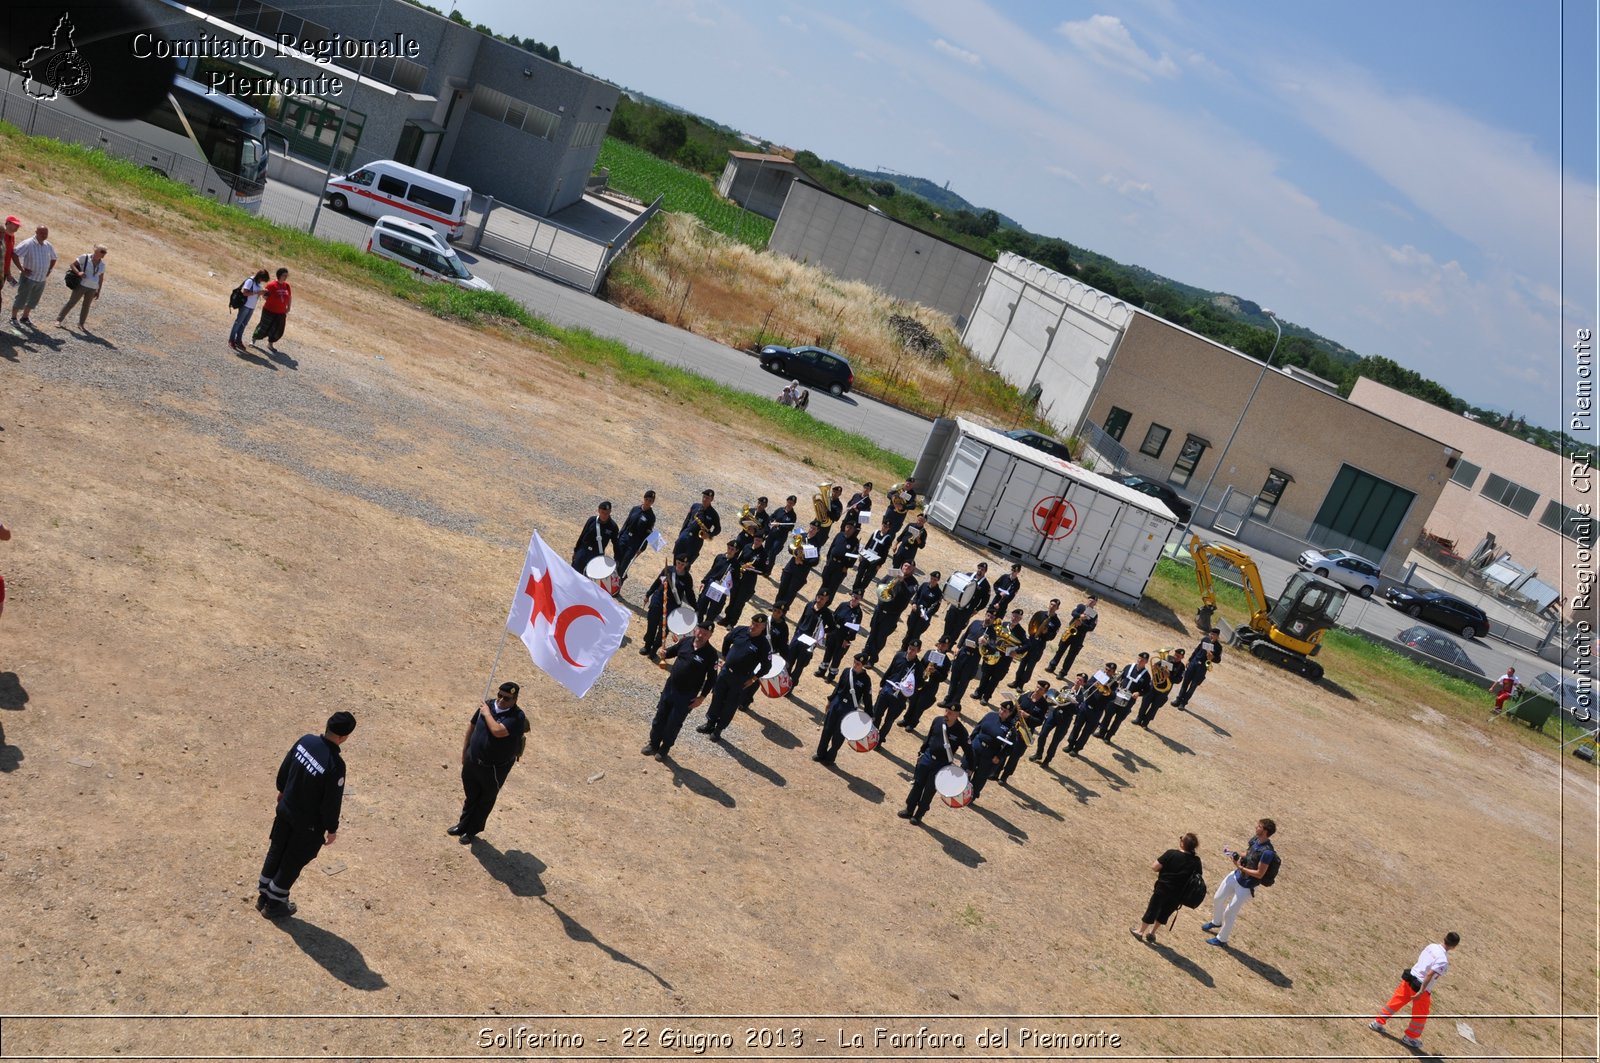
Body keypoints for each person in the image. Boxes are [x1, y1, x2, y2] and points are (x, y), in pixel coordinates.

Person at [257, 711, 356, 919]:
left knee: (276, 849)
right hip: (307, 825)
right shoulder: (335, 766)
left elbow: (286, 767)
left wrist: (282, 789)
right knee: (292, 860)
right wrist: (332, 828)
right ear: (343, 737)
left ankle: (263, 896)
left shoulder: (306, 741)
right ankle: (275, 904)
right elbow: (331, 802)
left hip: (285, 809)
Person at [449, 682, 531, 845]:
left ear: (514, 699)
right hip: (473, 760)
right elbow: (472, 726)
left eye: (506, 698)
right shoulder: (488, 705)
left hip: (494, 768)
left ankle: (472, 831)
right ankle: (462, 825)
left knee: (485, 800)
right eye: (499, 695)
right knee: (471, 795)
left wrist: (486, 713)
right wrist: (465, 751)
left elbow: (498, 731)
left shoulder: (516, 717)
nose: (500, 700)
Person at [1370, 933, 1461, 1051]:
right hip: (1420, 987)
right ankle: (1410, 1037)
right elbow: (1430, 974)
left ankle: (1377, 1022)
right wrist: (1421, 991)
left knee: (1395, 1002)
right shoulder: (1442, 960)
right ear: (1454, 946)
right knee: (1421, 1014)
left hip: (1410, 978)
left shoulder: (1431, 946)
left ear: (1444, 938)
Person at [644, 624, 720, 757]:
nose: (701, 635)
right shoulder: (685, 642)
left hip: (687, 695)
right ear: (696, 630)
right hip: (670, 688)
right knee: (660, 717)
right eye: (700, 632)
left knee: (674, 723)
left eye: (706, 634)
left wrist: (701, 697)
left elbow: (712, 679)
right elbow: (671, 652)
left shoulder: (711, 655)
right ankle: (653, 743)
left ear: (710, 635)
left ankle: (664, 749)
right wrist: (664, 653)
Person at [1202, 818, 1277, 947]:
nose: (1256, 827)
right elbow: (1248, 854)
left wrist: (1240, 867)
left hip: (1247, 886)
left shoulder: (1267, 853)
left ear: (1265, 831)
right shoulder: (1255, 840)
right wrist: (1235, 854)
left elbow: (1260, 873)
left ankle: (1222, 939)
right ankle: (1216, 921)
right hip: (1236, 876)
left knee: (1230, 912)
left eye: (1259, 826)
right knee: (1218, 898)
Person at [695, 614, 771, 741]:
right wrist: (725, 657)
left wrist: (753, 679)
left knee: (730, 704)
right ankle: (709, 724)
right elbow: (727, 639)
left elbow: (767, 666)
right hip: (725, 673)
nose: (753, 626)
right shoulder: (740, 630)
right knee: (717, 697)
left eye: (757, 625)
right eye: (752, 623)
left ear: (763, 627)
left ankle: (718, 730)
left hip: (741, 679)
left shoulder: (763, 645)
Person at [897, 702, 971, 823]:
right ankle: (909, 809)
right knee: (917, 784)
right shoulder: (937, 721)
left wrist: (970, 767)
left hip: (942, 765)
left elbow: (968, 750)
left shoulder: (961, 731)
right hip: (927, 758)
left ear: (957, 715)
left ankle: (918, 815)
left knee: (929, 790)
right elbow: (929, 738)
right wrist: (921, 752)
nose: (947, 714)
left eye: (951, 713)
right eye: (946, 711)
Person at [1131, 833, 1203, 943]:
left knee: (1153, 909)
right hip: (1179, 895)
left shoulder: (1171, 854)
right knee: (1165, 913)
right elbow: (1197, 877)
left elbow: (1155, 867)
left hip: (1162, 889)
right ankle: (1152, 933)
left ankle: (1140, 932)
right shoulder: (1196, 861)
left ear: (1183, 844)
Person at [815, 653, 873, 764]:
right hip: (837, 703)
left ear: (863, 665)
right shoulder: (847, 671)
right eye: (855, 662)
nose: (855, 665)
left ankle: (830, 758)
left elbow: (867, 698)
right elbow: (838, 687)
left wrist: (869, 715)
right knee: (827, 729)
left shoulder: (866, 680)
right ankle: (820, 753)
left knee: (839, 734)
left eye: (858, 664)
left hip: (849, 709)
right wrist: (830, 700)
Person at [861, 563, 918, 665]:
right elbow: (879, 583)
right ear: (901, 566)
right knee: (873, 632)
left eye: (910, 567)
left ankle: (873, 659)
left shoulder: (913, 583)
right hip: (880, 609)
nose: (907, 568)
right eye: (905, 565)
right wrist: (884, 588)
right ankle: (865, 653)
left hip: (892, 615)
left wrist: (902, 582)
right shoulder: (893, 573)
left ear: (913, 570)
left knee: (881, 637)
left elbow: (909, 594)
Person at [640, 555, 694, 659]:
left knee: (664, 629)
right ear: (676, 562)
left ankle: (654, 649)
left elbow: (689, 594)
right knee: (652, 623)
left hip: (673, 604)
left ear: (686, 565)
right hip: (659, 598)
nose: (680, 566)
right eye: (678, 563)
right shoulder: (668, 570)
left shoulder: (687, 578)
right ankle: (647, 646)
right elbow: (657, 582)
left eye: (683, 564)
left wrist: (695, 607)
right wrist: (648, 594)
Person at [966, 699, 1020, 802]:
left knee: (979, 778)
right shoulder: (990, 716)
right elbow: (977, 728)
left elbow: (1010, 747)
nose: (1001, 712)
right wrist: (969, 743)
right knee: (966, 769)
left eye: (1005, 711)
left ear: (1010, 713)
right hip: (976, 747)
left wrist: (999, 757)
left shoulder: (1011, 728)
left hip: (990, 754)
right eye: (1001, 709)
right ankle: (958, 792)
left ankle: (970, 798)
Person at [784, 587, 834, 692]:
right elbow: (802, 619)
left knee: (799, 667)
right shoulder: (809, 605)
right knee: (788, 662)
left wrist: (822, 632)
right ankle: (783, 685)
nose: (820, 600)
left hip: (809, 642)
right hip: (798, 637)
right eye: (819, 597)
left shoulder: (827, 614)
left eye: (823, 599)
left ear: (827, 600)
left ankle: (790, 688)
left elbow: (833, 627)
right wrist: (795, 635)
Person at [872, 641, 920, 746]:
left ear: (918, 651)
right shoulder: (899, 656)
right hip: (887, 689)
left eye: (914, 650)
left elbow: (917, 685)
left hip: (900, 697)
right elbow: (889, 671)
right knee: (876, 714)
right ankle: (873, 737)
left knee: (889, 720)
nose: (911, 651)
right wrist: (882, 685)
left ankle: (880, 739)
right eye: (910, 648)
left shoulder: (918, 667)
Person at [901, 635, 952, 731]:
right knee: (913, 701)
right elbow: (921, 664)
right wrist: (924, 670)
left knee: (920, 705)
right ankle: (906, 719)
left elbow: (943, 677)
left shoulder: (947, 662)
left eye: (945, 645)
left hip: (931, 686)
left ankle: (912, 723)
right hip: (921, 681)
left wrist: (935, 672)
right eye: (941, 644)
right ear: (938, 644)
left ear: (947, 647)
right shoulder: (929, 653)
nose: (942, 646)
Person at [10, 224, 56, 327]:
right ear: (36, 232)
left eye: (46, 233)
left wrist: (50, 270)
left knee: (34, 299)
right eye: (42, 233)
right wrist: (22, 269)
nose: (44, 235)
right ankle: (13, 317)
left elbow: (54, 258)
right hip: (28, 278)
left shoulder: (48, 245)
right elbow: (15, 254)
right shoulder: (28, 243)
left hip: (41, 279)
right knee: (22, 297)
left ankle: (25, 317)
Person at [1066, 665, 1118, 756]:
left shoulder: (1114, 683)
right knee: (1077, 726)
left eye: (1109, 670)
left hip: (1097, 711)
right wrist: (1096, 684)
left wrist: (1106, 688)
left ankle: (1077, 749)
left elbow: (1113, 697)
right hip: (1086, 706)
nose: (1106, 671)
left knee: (1087, 731)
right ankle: (1070, 744)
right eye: (1106, 669)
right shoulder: (1098, 675)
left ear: (1113, 672)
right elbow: (1086, 685)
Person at [1009, 600, 1060, 690]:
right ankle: (1016, 681)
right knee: (1022, 663)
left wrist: (1046, 633)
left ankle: (1021, 685)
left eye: (1054, 606)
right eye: (1051, 604)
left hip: (1040, 645)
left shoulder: (1056, 622)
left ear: (1057, 608)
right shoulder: (1040, 614)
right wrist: (1032, 634)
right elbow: (1031, 623)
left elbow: (1052, 636)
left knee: (1030, 666)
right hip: (1031, 641)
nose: (1052, 606)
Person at [773, 519, 822, 610]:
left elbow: (815, 561)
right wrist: (796, 554)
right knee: (782, 587)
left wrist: (803, 560)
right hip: (791, 566)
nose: (811, 530)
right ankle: (776, 607)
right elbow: (790, 547)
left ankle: (783, 611)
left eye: (814, 529)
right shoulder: (801, 536)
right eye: (811, 527)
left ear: (817, 530)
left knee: (791, 592)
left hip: (801, 571)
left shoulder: (816, 543)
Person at [1100, 653, 1150, 742]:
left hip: (1129, 699)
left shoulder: (1146, 676)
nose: (1140, 660)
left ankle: (1109, 736)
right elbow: (1119, 677)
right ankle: (1101, 732)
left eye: (1142, 660)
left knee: (1119, 718)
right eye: (1139, 658)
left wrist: (1139, 693)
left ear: (1146, 662)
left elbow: (1147, 689)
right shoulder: (1128, 667)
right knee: (1108, 714)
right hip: (1118, 694)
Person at [55, 244, 107, 330]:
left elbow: (101, 278)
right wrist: (78, 273)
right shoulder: (85, 257)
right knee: (71, 303)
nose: (104, 254)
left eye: (105, 252)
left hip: (93, 288)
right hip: (81, 285)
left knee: (86, 306)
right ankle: (58, 320)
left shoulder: (102, 265)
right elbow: (72, 265)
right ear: (96, 251)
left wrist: (98, 290)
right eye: (102, 251)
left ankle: (81, 324)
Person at [816, 589, 864, 681]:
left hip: (844, 638)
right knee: (828, 652)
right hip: (834, 633)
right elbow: (833, 617)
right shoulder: (843, 605)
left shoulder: (858, 613)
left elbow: (854, 629)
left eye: (857, 598)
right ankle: (822, 670)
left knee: (837, 657)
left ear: (860, 599)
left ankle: (831, 675)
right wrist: (828, 630)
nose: (855, 599)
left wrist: (847, 639)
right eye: (854, 596)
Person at [1049, 595, 1098, 677]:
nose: (1091, 602)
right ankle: (1052, 666)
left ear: (1095, 604)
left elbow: (1091, 627)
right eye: (1090, 600)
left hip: (1079, 636)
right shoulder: (1081, 606)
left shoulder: (1094, 614)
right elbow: (1073, 613)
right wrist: (1079, 616)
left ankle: (1063, 673)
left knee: (1071, 656)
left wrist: (1082, 624)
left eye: (1093, 602)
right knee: (1060, 650)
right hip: (1070, 632)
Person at [613, 490, 657, 582]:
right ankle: (609, 581)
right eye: (647, 499)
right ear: (644, 498)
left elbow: (648, 534)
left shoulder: (651, 517)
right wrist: (620, 535)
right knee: (617, 560)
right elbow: (627, 522)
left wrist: (642, 548)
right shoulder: (635, 509)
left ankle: (617, 585)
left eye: (651, 500)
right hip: (624, 537)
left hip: (634, 543)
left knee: (624, 564)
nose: (648, 502)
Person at [941, 562, 991, 643]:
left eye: (982, 570)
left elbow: (985, 601)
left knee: (958, 627)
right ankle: (942, 640)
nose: (980, 570)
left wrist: (977, 609)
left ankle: (949, 644)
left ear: (985, 571)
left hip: (967, 610)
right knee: (949, 622)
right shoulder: (968, 575)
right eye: (979, 568)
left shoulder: (986, 585)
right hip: (956, 605)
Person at [1136, 648, 1183, 729]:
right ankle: (1139, 718)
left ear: (1182, 657)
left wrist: (1169, 676)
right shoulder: (1167, 658)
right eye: (1175, 655)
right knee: (1145, 701)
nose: (1176, 657)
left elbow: (1179, 680)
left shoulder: (1181, 667)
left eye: (1178, 656)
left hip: (1164, 690)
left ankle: (1145, 723)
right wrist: (1156, 668)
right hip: (1154, 684)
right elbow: (1156, 665)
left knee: (1155, 706)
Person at [675, 489, 721, 570]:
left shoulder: (714, 514)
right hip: (685, 536)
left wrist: (709, 535)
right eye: (704, 497)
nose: (704, 499)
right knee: (676, 559)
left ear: (712, 499)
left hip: (696, 541)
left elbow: (718, 529)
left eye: (707, 498)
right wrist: (681, 534)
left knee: (686, 564)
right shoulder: (695, 506)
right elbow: (686, 520)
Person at [571, 500, 619, 575]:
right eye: (602, 512)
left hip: (596, 555)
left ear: (610, 512)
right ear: (599, 510)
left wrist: (617, 559)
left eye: (607, 513)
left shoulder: (613, 527)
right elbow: (582, 535)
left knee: (589, 577)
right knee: (574, 573)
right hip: (583, 550)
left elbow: (615, 544)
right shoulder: (592, 520)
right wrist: (576, 550)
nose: (604, 515)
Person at [229, 269, 270, 351]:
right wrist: (257, 292)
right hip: (245, 306)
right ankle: (231, 340)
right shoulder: (250, 281)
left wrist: (263, 293)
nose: (262, 281)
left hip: (251, 307)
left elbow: (258, 293)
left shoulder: (258, 283)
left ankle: (238, 340)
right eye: (262, 279)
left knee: (244, 324)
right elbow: (245, 293)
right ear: (260, 277)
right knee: (238, 323)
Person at [251, 267, 291, 351]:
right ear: (279, 275)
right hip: (269, 311)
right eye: (284, 275)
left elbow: (290, 297)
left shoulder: (287, 286)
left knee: (277, 329)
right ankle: (253, 340)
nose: (286, 277)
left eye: (287, 275)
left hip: (281, 312)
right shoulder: (271, 285)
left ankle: (270, 344)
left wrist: (288, 307)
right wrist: (272, 301)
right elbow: (265, 296)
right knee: (263, 326)